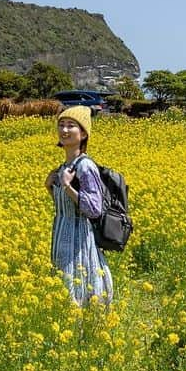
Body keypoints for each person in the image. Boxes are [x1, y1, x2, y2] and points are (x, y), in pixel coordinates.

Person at [45, 105, 113, 306]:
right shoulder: (65, 166)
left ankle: (83, 332)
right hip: (62, 235)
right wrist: (51, 187)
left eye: (71, 126)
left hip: (79, 240)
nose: (64, 130)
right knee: (64, 290)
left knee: (78, 290)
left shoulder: (85, 166)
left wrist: (66, 185)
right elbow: (66, 205)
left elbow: (93, 209)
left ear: (83, 133)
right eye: (61, 125)